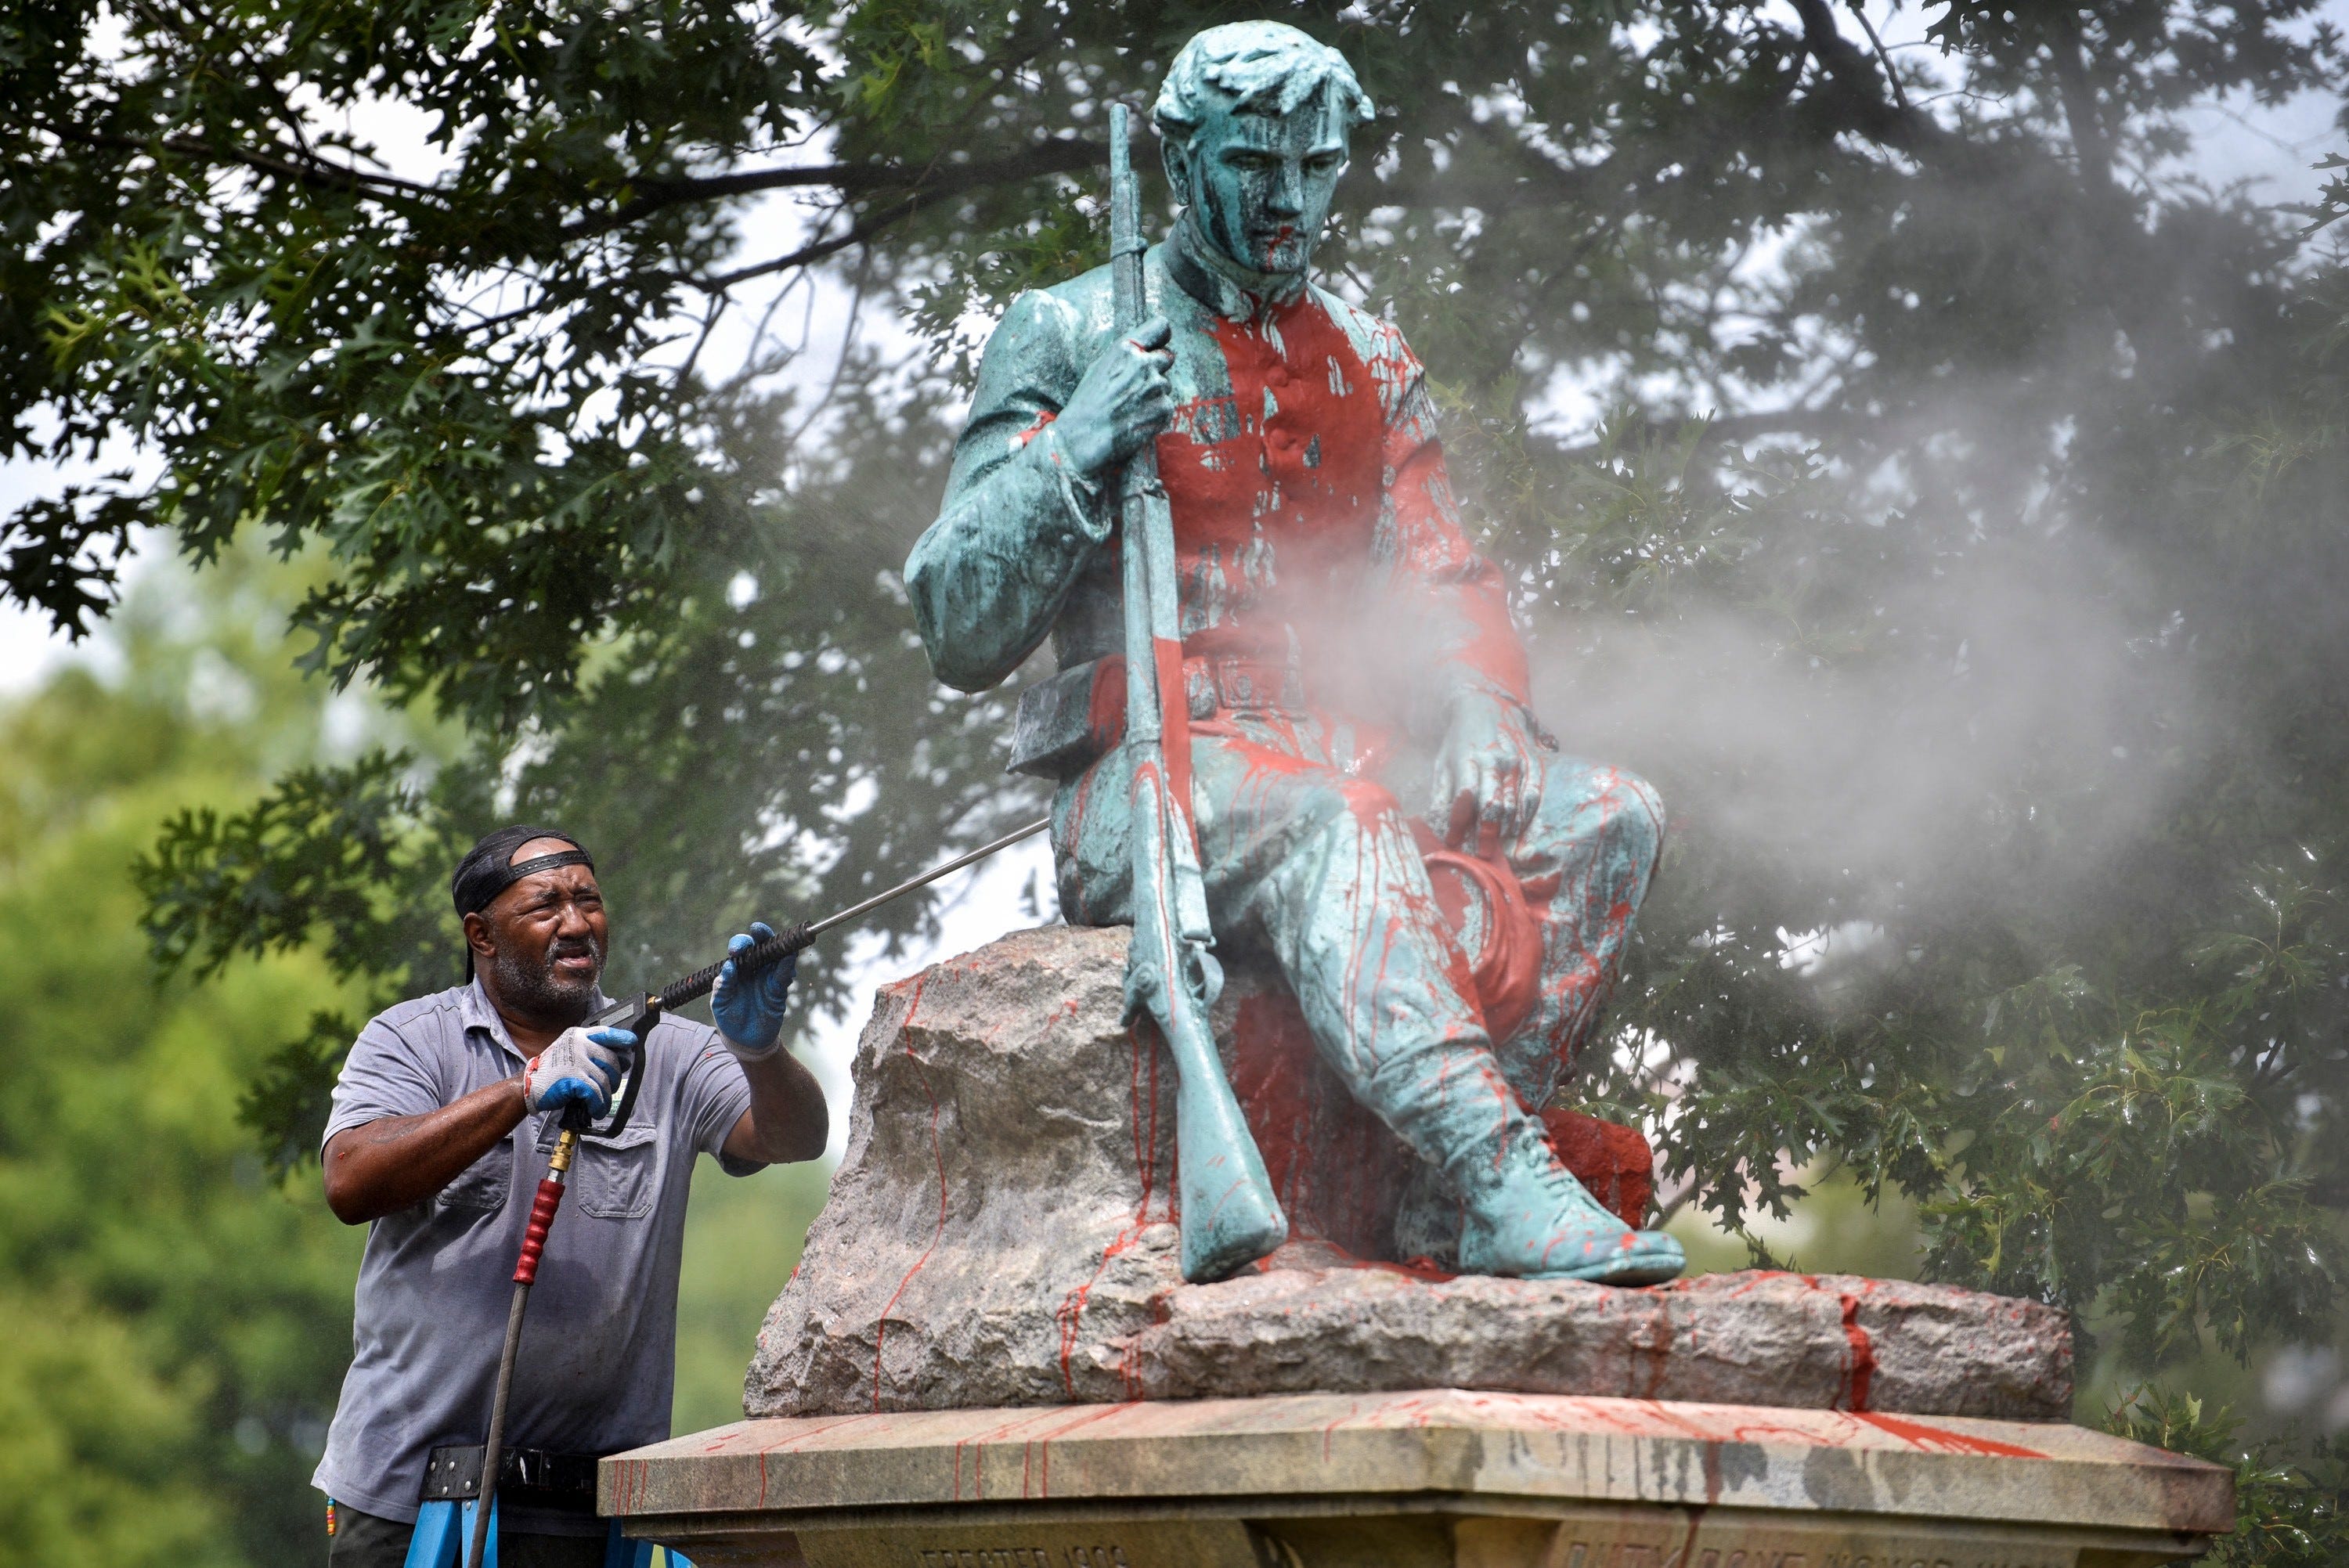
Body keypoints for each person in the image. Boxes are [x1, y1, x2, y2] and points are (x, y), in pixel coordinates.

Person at [906, 22, 1683, 1285]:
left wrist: (1483, 696)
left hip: (1331, 745)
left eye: (1318, 165)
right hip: (1151, 773)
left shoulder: (1370, 353)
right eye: (1255, 161)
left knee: (1606, 814)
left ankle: (1458, 1190)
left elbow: (1437, 565)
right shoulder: (1063, 330)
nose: (1288, 198)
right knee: (1341, 816)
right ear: (1178, 153)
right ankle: (1503, 1179)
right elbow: (954, 620)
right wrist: (1078, 445)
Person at [311, 825, 828, 1565]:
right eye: (546, 905)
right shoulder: (411, 1040)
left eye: (589, 900)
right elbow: (350, 1180)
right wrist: (522, 1091)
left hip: (596, 1507)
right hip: (408, 1499)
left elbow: (793, 1137)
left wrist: (760, 1052)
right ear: (481, 933)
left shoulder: (671, 1052)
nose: (577, 921)